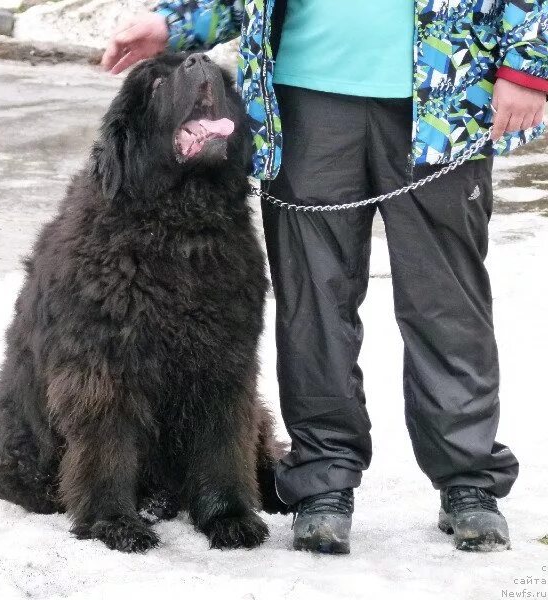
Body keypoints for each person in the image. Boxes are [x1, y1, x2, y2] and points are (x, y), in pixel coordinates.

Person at [101, 1, 548, 554]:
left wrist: (528, 67)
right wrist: (172, 22)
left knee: (446, 303)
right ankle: (322, 480)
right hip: (304, 100)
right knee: (312, 303)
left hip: (446, 95)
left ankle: (469, 483)